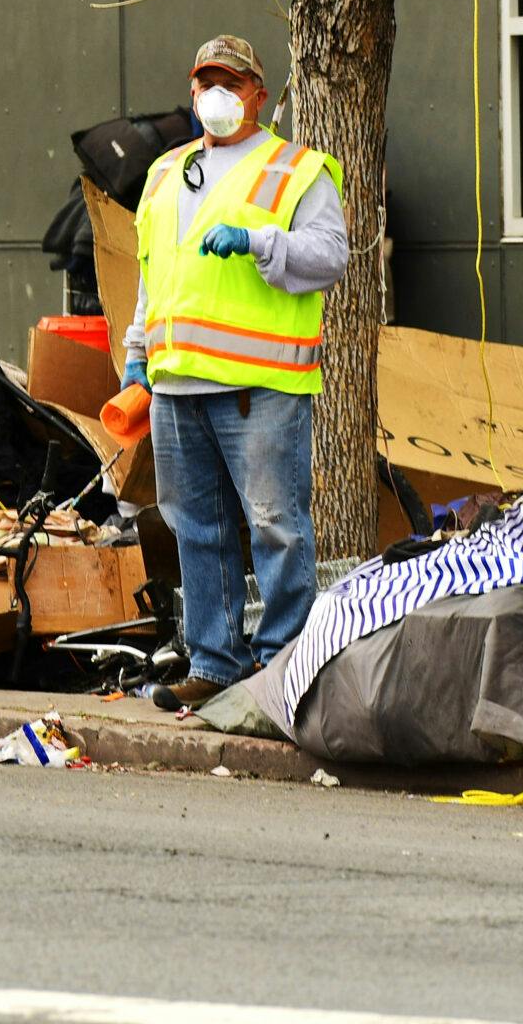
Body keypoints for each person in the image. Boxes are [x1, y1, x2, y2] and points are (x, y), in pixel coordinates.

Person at [124, 35, 348, 710]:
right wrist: (137, 354)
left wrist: (257, 241)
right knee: (196, 529)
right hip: (175, 387)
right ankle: (215, 665)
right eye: (205, 83)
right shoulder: (166, 172)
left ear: (258, 94)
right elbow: (152, 272)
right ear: (192, 93)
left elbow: (331, 256)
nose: (216, 95)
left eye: (231, 82)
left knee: (277, 526)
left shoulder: (296, 170)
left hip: (260, 386)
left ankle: (283, 670)